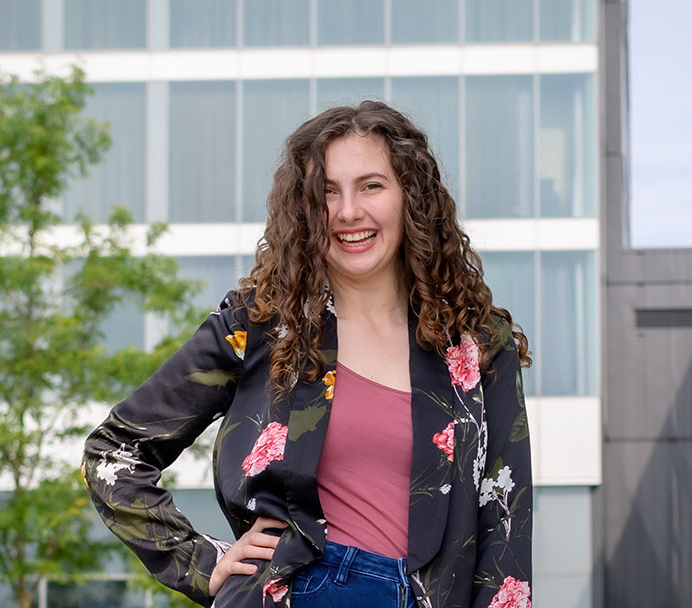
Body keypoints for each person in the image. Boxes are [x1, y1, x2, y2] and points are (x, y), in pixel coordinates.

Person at [83, 101, 533, 608]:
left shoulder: (476, 344)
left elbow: (505, 525)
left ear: (412, 199)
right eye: (326, 192)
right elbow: (115, 452)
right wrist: (199, 563)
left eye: (371, 186)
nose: (347, 212)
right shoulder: (258, 325)